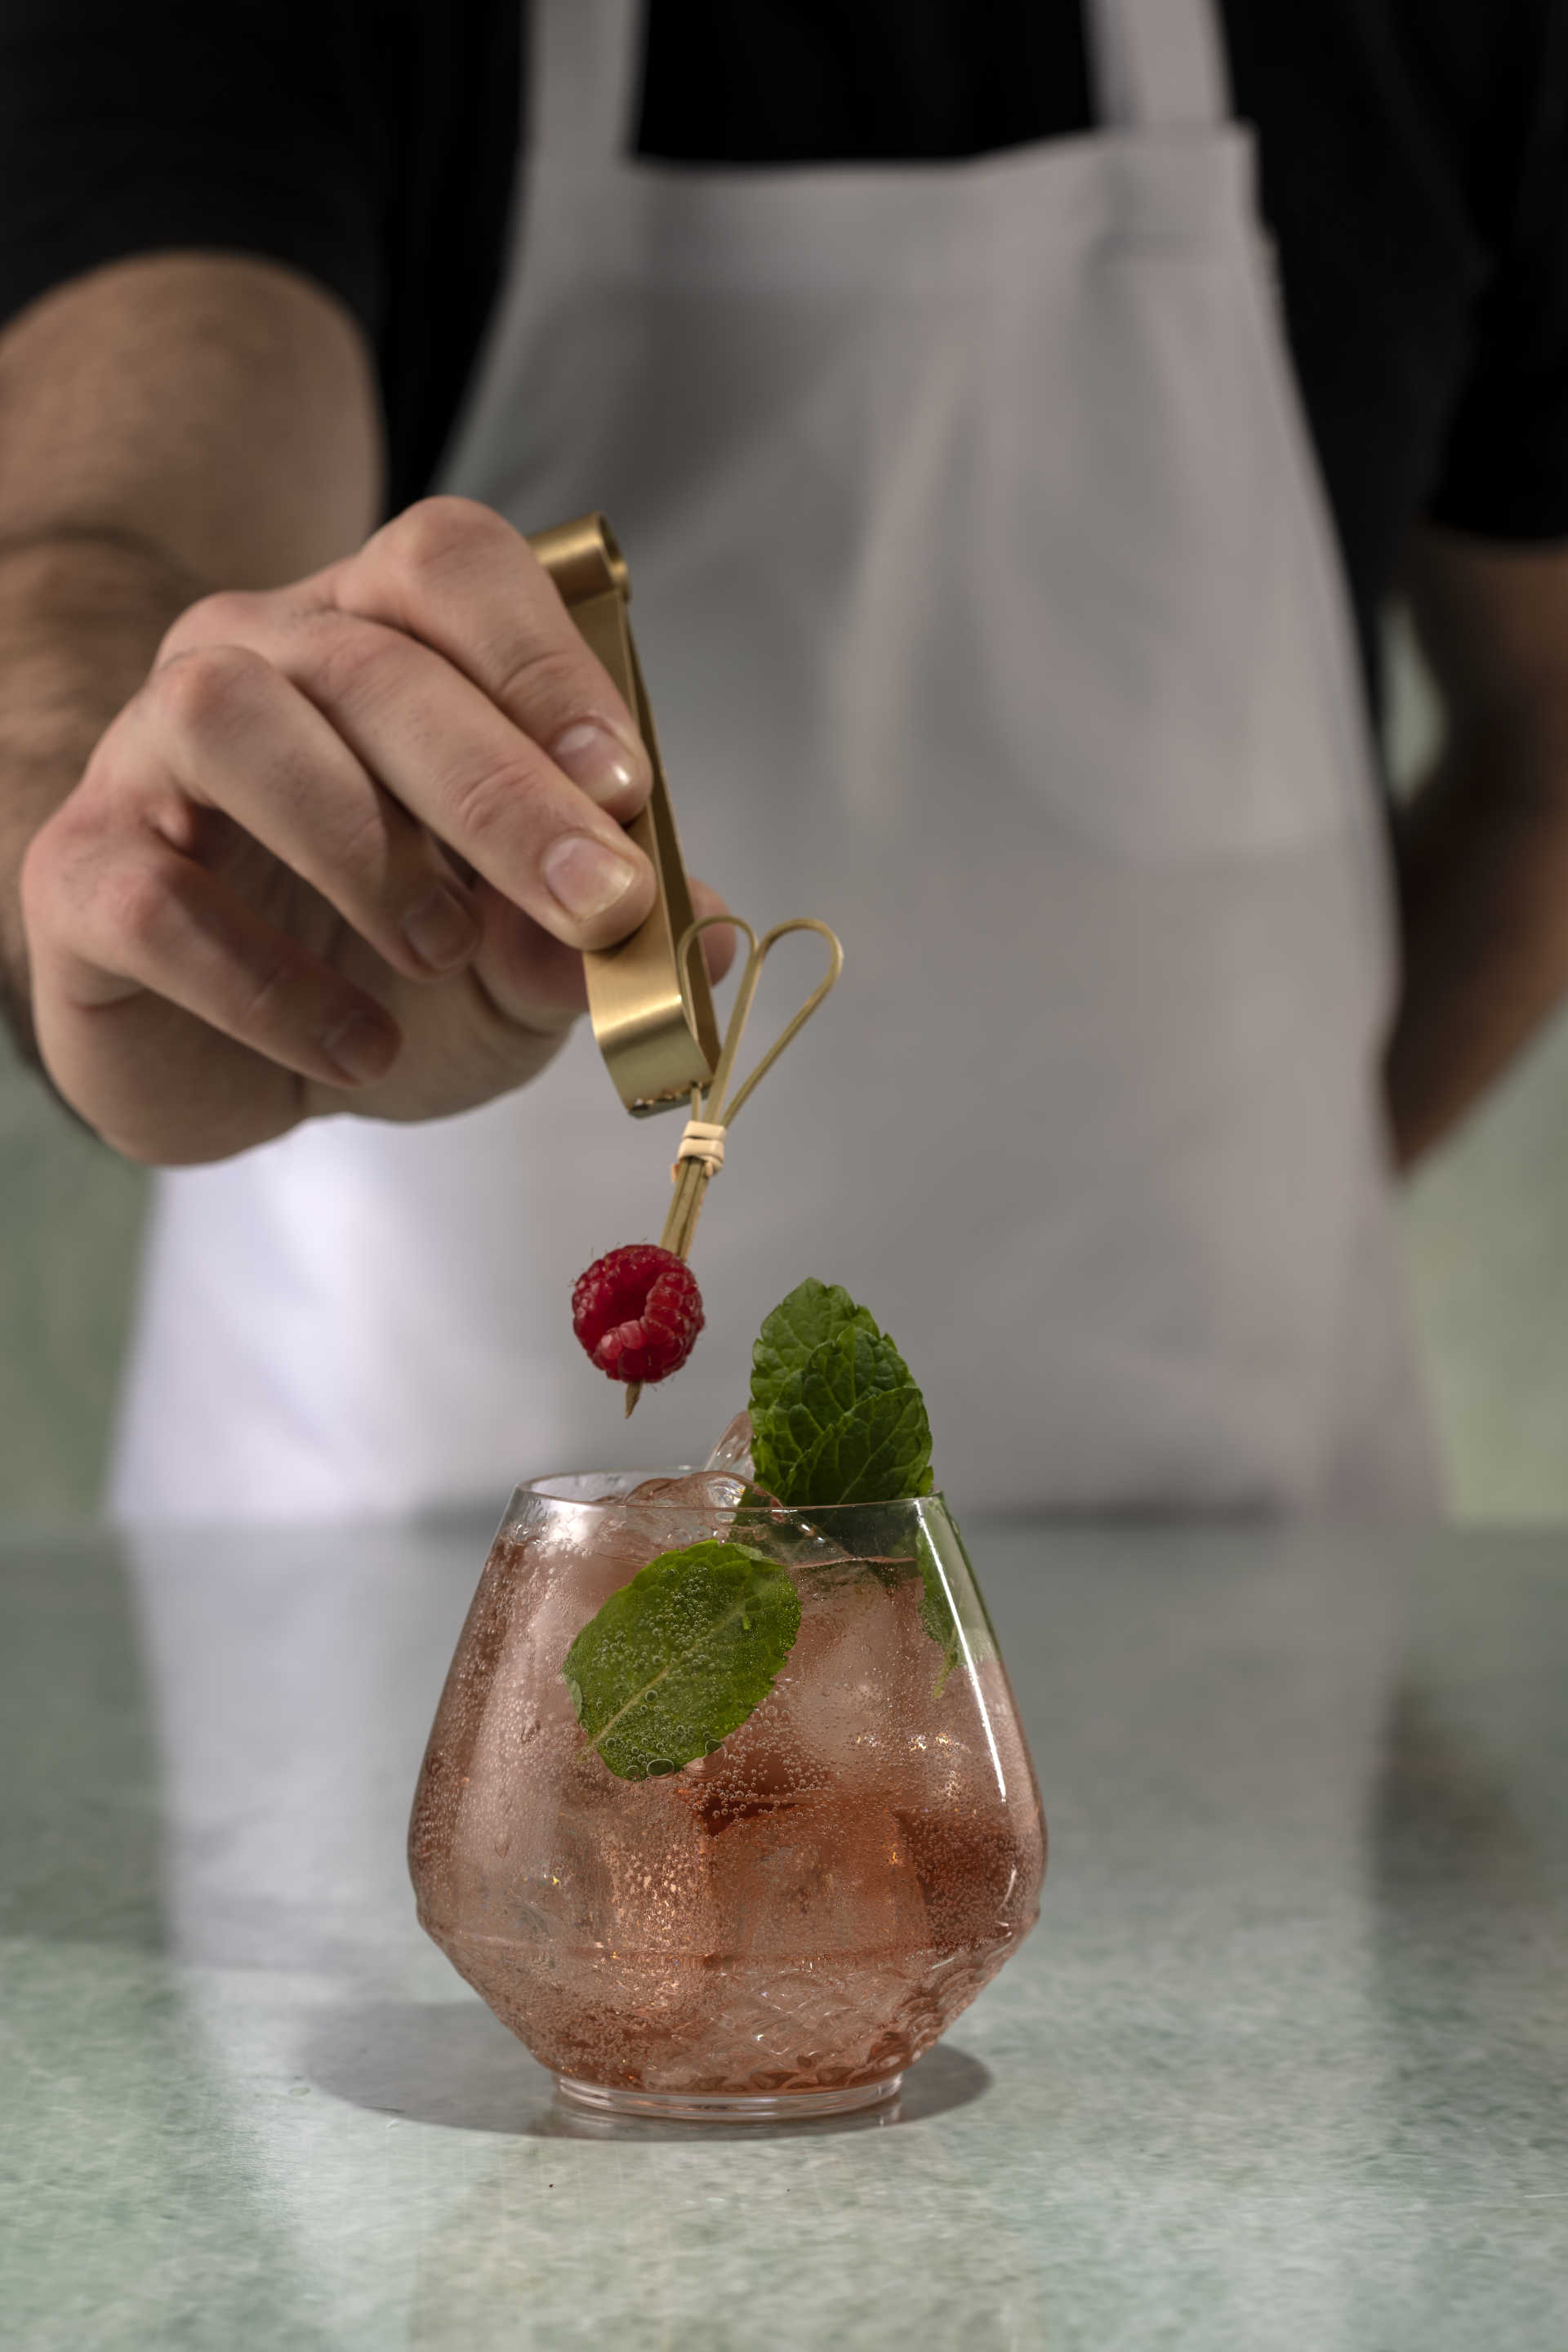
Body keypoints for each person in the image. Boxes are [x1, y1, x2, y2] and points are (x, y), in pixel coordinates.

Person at [2, 0, 1567, 1521]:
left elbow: (1550, 756)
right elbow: (94, 555)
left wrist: (1296, 1219)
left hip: (1231, 1535)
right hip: (391, 1573)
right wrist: (121, 843)